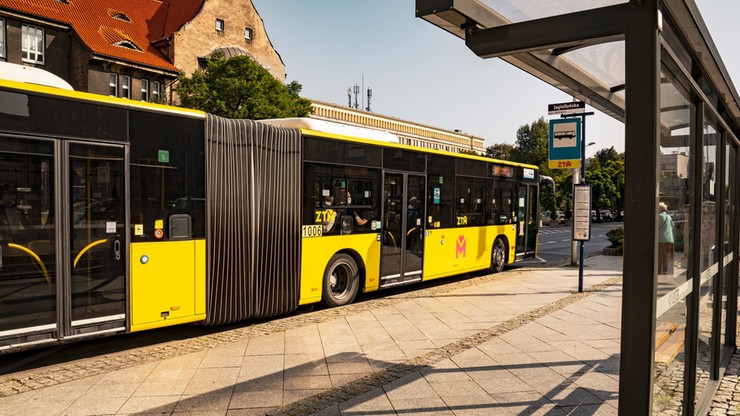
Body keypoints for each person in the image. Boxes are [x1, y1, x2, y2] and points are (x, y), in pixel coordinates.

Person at [658, 202, 674, 275]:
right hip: (669, 239)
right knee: (666, 256)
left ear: (660, 209)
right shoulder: (669, 217)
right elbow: (672, 226)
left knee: (659, 255)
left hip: (661, 238)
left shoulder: (659, 216)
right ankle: (665, 270)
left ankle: (659, 270)